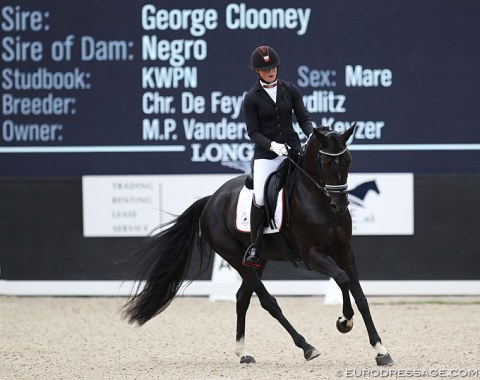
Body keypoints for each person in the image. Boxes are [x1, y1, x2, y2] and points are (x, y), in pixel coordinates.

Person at [242, 45, 314, 268]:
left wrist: (311, 135)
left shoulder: (290, 89)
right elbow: (253, 132)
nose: (270, 71)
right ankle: (254, 246)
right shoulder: (251, 98)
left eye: (273, 67)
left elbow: (303, 118)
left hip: (292, 150)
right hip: (267, 155)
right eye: (265, 69)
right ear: (257, 71)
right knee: (261, 197)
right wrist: (273, 145)